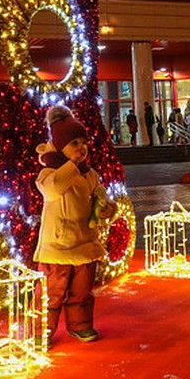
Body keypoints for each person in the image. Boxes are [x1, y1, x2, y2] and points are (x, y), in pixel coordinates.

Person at [34, 105, 115, 345]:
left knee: (82, 292)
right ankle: (41, 331)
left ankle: (80, 325)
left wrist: (107, 208)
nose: (81, 148)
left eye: (83, 142)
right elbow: (54, 189)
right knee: (51, 292)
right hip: (56, 246)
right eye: (74, 143)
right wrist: (71, 165)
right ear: (60, 147)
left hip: (84, 243)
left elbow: (101, 196)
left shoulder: (89, 174)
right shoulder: (48, 172)